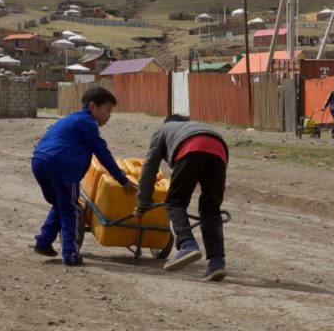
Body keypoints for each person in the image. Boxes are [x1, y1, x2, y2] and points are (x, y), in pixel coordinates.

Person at [31, 86, 136, 266]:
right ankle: (70, 255)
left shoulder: (72, 119)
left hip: (39, 161)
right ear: (93, 107)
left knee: (61, 203)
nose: (109, 115)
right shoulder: (87, 123)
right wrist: (122, 179)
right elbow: (102, 154)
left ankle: (43, 241)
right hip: (61, 166)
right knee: (71, 209)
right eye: (107, 110)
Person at [133, 115, 229, 282]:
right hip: (219, 150)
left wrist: (143, 203)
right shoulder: (195, 126)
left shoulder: (163, 130)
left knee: (174, 201)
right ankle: (216, 263)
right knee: (210, 209)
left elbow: (149, 169)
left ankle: (187, 244)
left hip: (192, 147)